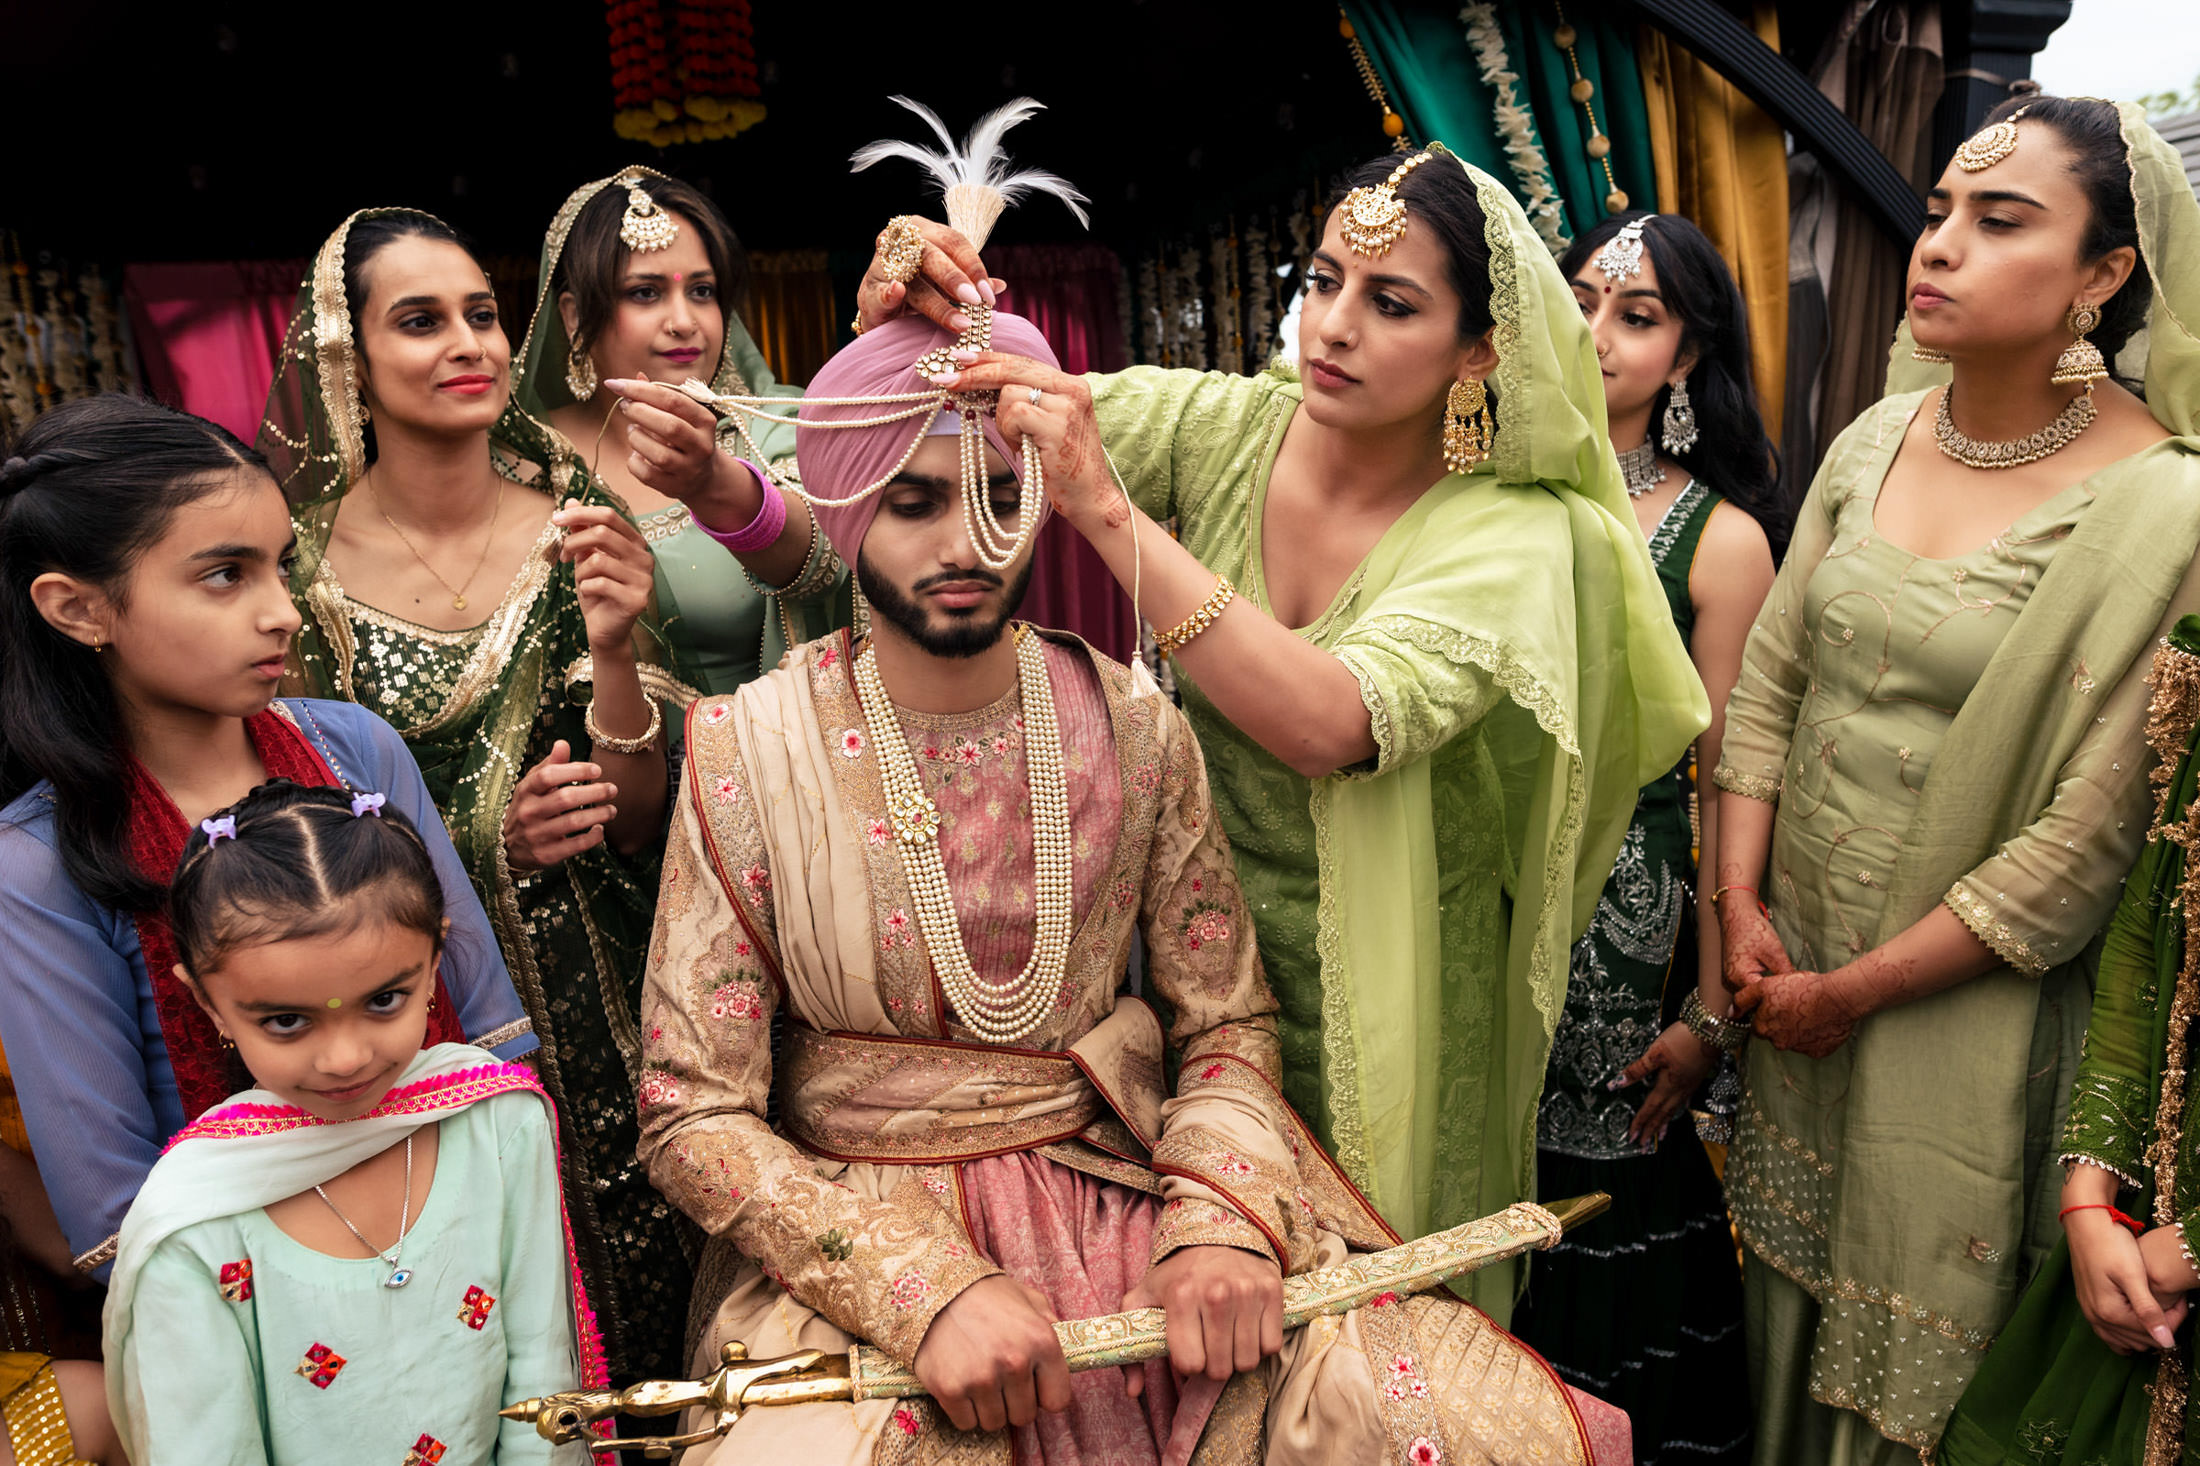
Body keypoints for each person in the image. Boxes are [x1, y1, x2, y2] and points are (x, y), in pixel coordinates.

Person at [635, 303, 1633, 1464]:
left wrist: (1219, 1220)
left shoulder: (1132, 722)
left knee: (1431, 1422)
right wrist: (925, 1291)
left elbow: (1224, 1021)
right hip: (857, 1239)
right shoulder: (744, 747)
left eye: (1001, 495)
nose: (964, 542)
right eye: (911, 502)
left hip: (1126, 1199)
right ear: (850, 513)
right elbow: (691, 1110)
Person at [909, 145, 1711, 1315]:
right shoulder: (1232, 426)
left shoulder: (1520, 535)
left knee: (1374, 1348)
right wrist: (922, 311)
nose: (1332, 325)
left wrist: (1106, 510)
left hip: (1394, 988)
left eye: (1390, 303)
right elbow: (974, 422)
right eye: (1324, 280)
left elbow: (1328, 720)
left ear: (1480, 351)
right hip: (1192, 974)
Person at [1710, 96, 2200, 1463]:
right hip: (1784, 979)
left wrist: (1855, 991)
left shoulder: (2165, 506)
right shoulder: (1877, 437)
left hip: (1958, 1021)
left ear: (2105, 276)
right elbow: (1768, 690)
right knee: (1781, 1338)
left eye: (2000, 222)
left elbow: (2085, 842)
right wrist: (1739, 909)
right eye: (1937, 214)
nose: (1939, 247)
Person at [260, 207, 693, 1382]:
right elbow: (284, 839)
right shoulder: (295, 577)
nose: (468, 343)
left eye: (482, 314)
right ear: (346, 355)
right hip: (422, 1025)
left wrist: (612, 654)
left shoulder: (577, 524)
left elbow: (649, 813)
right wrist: (481, 838)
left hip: (624, 1000)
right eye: (420, 320)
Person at [0, 395, 530, 1288]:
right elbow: (115, 1215)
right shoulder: (40, 862)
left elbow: (492, 1033)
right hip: (249, 1305)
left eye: (280, 567)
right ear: (78, 610)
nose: (283, 611)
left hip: (477, 1240)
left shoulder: (355, 750)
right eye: (224, 575)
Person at [1505, 209, 1777, 1465]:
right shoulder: (1485, 490)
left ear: (1684, 356)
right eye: (1581, 297)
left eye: (1639, 312)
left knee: (1602, 1180)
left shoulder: (1720, 539)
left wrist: (1714, 1008)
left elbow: (1731, 779)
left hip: (1628, 919)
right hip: (1480, 881)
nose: (1598, 330)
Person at [103, 781, 600, 1465]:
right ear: (209, 1005)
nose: (345, 1058)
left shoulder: (497, 1122)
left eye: (385, 1000)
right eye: (286, 1020)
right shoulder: (193, 1222)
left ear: (433, 966)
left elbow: (544, 1388)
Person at [513, 167, 850, 695]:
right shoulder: (522, 461)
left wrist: (715, 483)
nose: (684, 320)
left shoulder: (781, 425)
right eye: (646, 293)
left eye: (702, 290)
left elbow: (832, 567)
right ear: (575, 317)